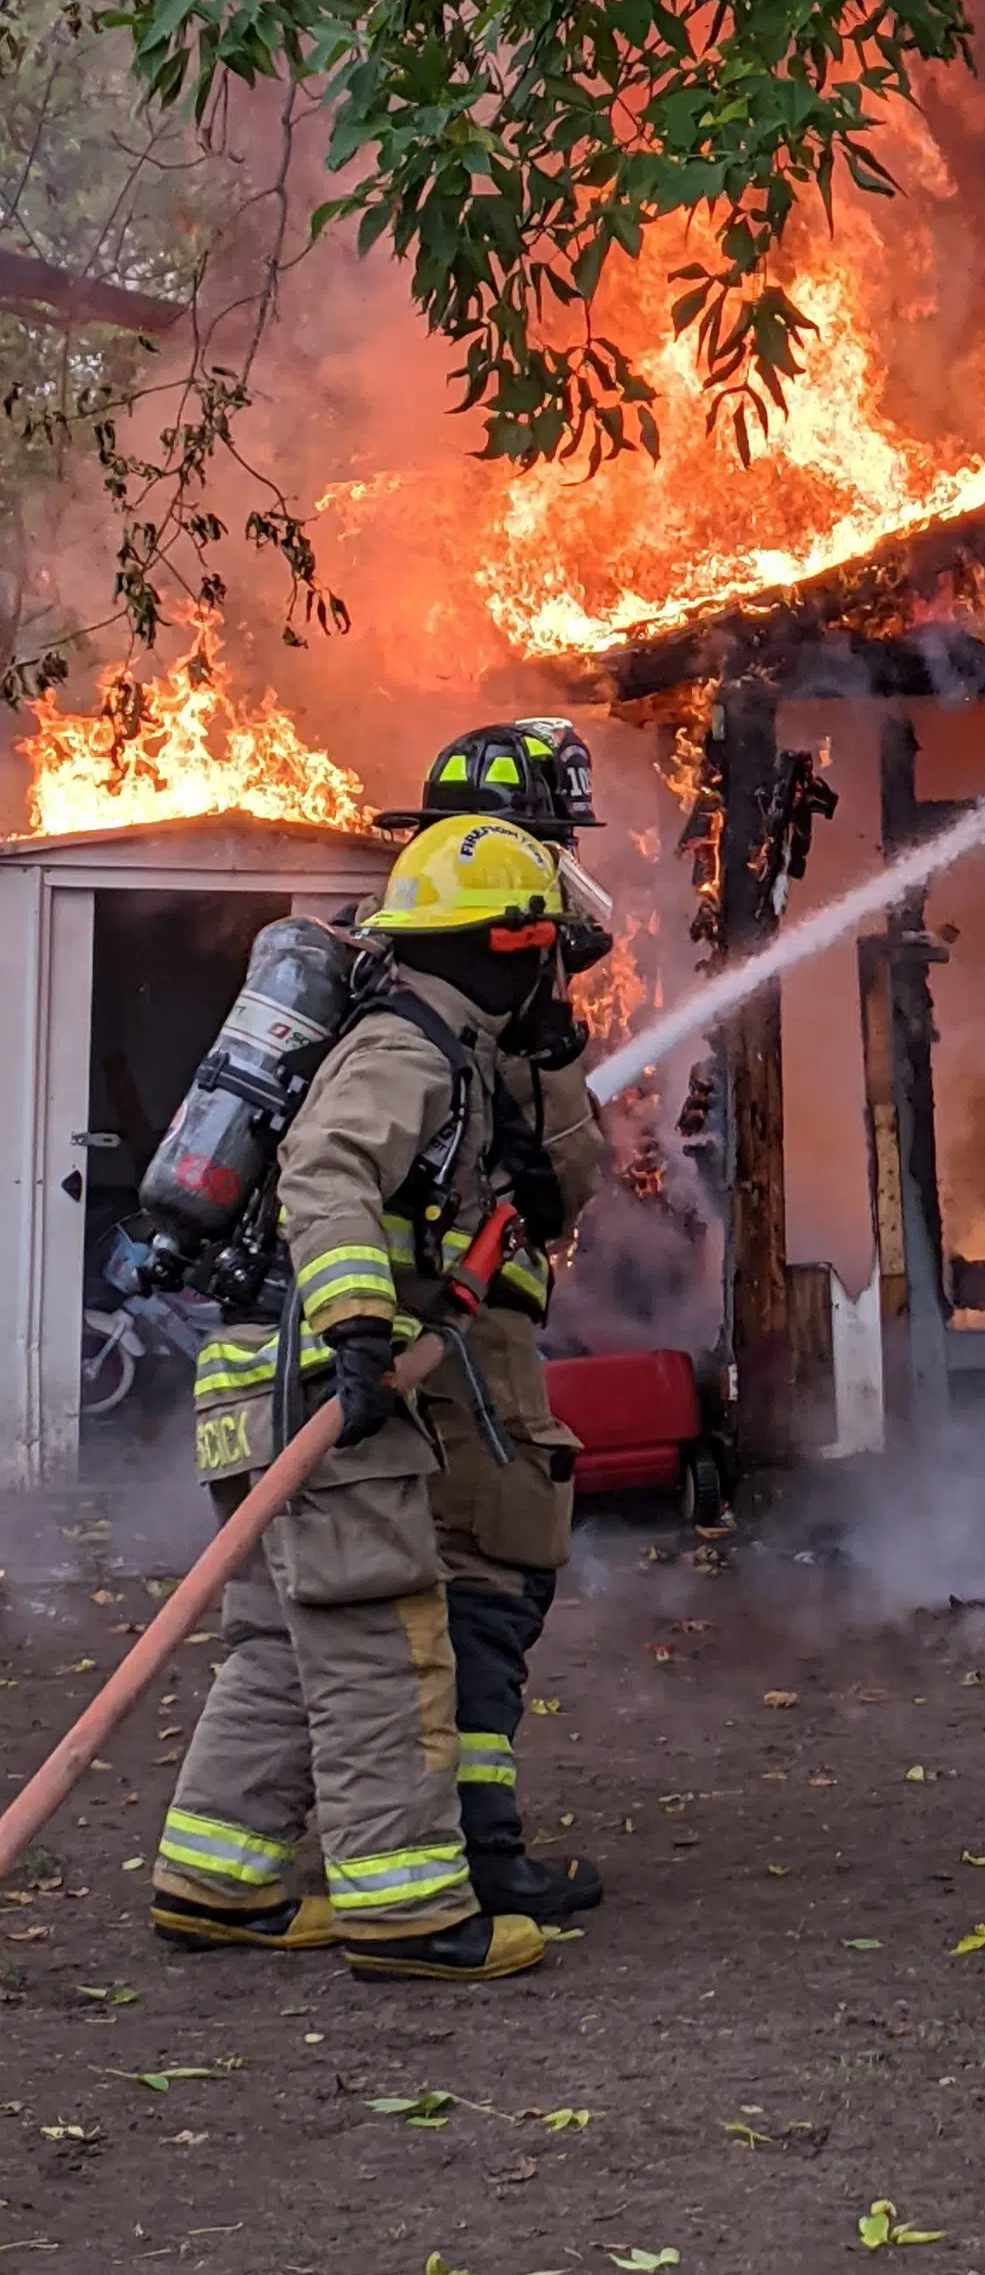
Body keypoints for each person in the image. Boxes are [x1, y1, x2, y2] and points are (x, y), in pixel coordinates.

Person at [151, 817, 578, 1984]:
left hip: (258, 1383)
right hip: (321, 1387)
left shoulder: (422, 1041)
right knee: (385, 1638)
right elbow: (327, 1171)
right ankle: (408, 1911)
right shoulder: (412, 1047)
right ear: (506, 944)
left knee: (283, 1646)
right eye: (539, 944)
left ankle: (217, 1878)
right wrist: (355, 1329)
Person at [378, 720, 612, 1923]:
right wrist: (556, 1052)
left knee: (409, 1593)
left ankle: (404, 1836)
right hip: (465, 1345)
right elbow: (561, 1182)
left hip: (414, 1339)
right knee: (494, 1576)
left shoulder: (400, 981)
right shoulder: (484, 1013)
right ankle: (480, 1846)